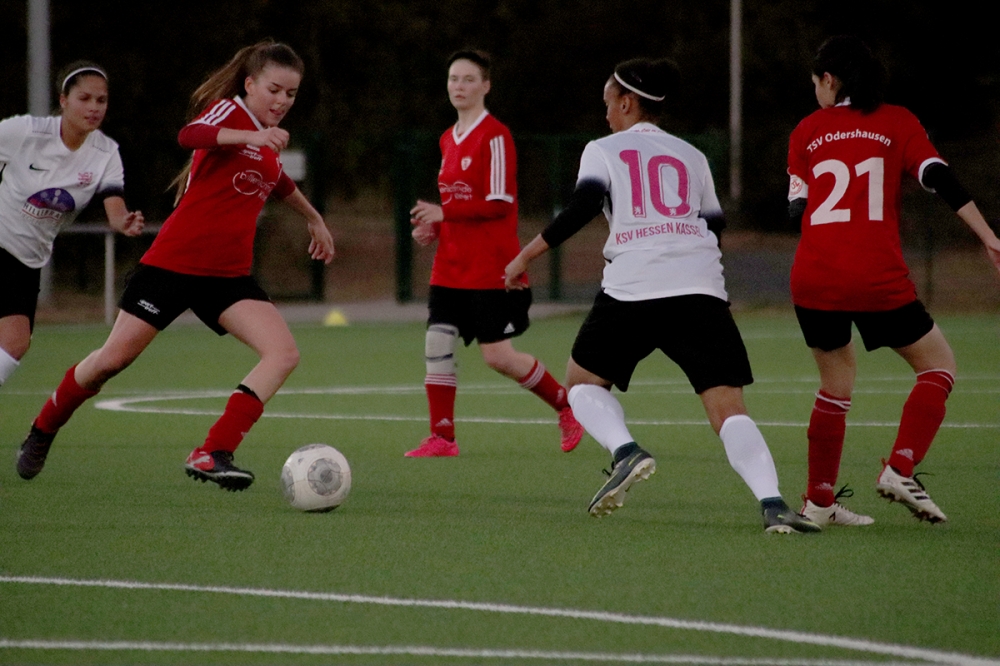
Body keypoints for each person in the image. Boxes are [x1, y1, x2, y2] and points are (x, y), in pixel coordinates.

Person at [505, 58, 818, 533]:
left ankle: (626, 451)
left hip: (633, 285)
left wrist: (524, 257)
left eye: (608, 103)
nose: (605, 113)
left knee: (582, 383)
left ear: (626, 103)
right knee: (728, 409)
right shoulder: (693, 155)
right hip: (700, 287)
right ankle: (773, 505)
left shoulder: (602, 149)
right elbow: (714, 227)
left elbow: (582, 207)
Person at [16, 41, 335, 490]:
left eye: (291, 93)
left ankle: (212, 452)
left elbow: (276, 180)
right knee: (110, 362)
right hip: (173, 266)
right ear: (249, 84)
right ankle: (43, 428)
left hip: (226, 277)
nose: (282, 100)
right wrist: (251, 136)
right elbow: (191, 135)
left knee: (283, 354)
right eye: (274, 90)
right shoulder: (232, 113)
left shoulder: (266, 138)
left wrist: (313, 217)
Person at [786, 36, 1000, 526]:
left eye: (816, 81)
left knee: (835, 386)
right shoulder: (897, 121)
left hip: (814, 276)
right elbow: (938, 177)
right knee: (939, 367)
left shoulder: (806, 131)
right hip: (875, 274)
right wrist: (988, 236)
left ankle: (818, 503)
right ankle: (900, 468)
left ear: (829, 80)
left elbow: (797, 209)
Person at [407, 49, 583, 457]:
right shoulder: (447, 138)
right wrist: (436, 227)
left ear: (485, 86)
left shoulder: (496, 135)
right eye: (454, 79)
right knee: (437, 343)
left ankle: (566, 406)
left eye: (469, 79)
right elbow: (458, 205)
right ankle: (442, 438)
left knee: (498, 357)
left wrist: (445, 212)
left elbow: (499, 203)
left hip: (491, 270)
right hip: (449, 268)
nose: (459, 86)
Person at [0, 61, 144, 390]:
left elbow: (115, 209)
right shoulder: (25, 132)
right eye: (84, 98)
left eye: (101, 100)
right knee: (14, 341)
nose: (94, 107)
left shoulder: (105, 153)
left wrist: (125, 222)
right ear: (63, 100)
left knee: (15, 344)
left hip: (27, 260)